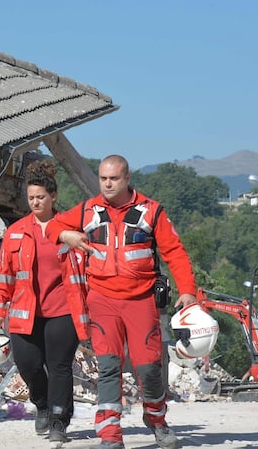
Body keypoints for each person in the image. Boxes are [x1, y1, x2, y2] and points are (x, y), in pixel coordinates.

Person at [46, 155, 196, 449]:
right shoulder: (88, 210)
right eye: (103, 178)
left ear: (127, 178)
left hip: (141, 300)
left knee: (149, 367)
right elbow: (51, 227)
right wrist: (66, 234)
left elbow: (174, 252)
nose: (107, 184)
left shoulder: (151, 211)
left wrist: (188, 290)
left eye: (113, 179)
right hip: (101, 300)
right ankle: (110, 434)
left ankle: (156, 420)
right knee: (108, 366)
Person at [0, 160, 90, 444]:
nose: (35, 202)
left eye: (41, 197)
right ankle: (42, 403)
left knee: (59, 366)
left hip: (62, 310)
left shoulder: (70, 230)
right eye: (31, 197)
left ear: (53, 197)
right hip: (25, 312)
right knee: (27, 363)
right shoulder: (17, 231)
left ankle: (59, 419)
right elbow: (4, 273)